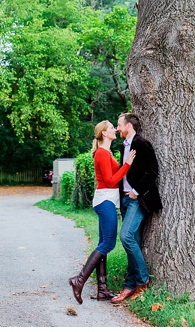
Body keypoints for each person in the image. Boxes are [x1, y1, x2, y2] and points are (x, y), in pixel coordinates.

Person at [69, 120, 136, 304]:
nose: (115, 129)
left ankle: (102, 289)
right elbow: (110, 179)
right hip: (105, 200)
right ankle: (79, 279)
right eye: (112, 128)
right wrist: (127, 165)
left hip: (106, 200)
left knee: (103, 243)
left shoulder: (105, 152)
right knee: (108, 243)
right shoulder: (102, 153)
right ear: (105, 134)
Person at [111, 112, 163, 304]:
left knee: (125, 236)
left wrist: (136, 191)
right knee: (133, 240)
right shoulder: (123, 146)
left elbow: (153, 171)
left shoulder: (142, 144)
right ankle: (129, 285)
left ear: (129, 126)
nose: (117, 129)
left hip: (137, 200)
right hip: (124, 200)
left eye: (119, 125)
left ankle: (143, 280)